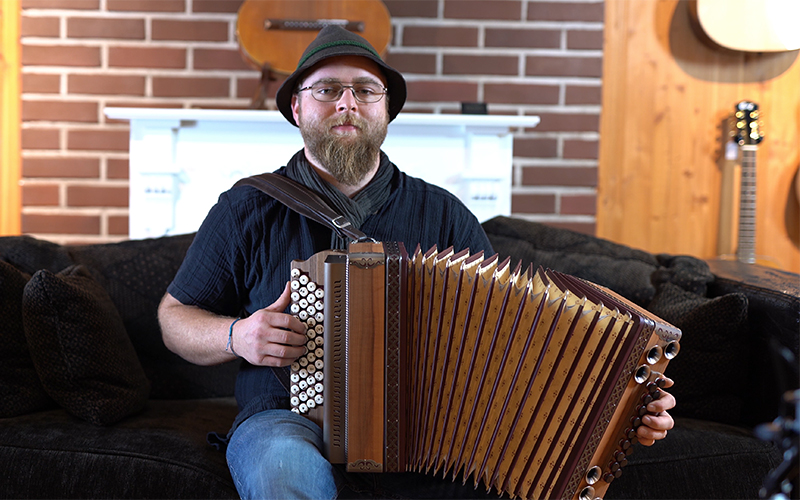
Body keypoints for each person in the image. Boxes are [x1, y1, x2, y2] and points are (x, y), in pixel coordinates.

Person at [158, 25, 676, 500]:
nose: (347, 103)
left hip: (426, 429)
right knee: (282, 470)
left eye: (366, 90)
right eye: (327, 89)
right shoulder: (247, 207)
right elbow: (174, 316)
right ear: (297, 107)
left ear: (386, 110)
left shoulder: (444, 214)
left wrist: (623, 409)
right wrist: (237, 336)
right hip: (285, 418)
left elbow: (512, 345)